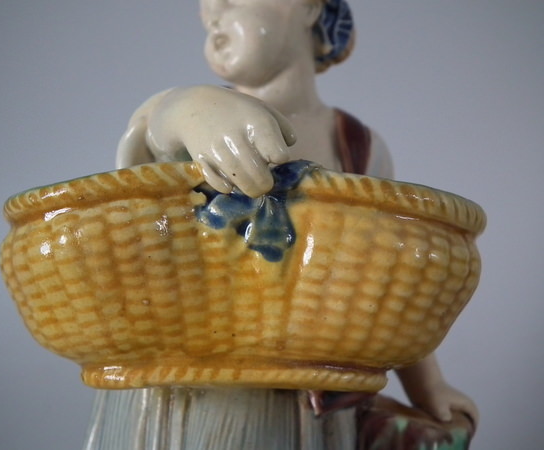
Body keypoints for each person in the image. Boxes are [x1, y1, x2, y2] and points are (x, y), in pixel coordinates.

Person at [115, 0, 478, 427]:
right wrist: (187, 109)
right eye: (206, 6)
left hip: (318, 404)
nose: (213, 11)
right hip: (202, 398)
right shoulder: (194, 126)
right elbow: (148, 140)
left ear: (309, 7)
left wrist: (427, 385)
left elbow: (386, 281)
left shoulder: (358, 146)